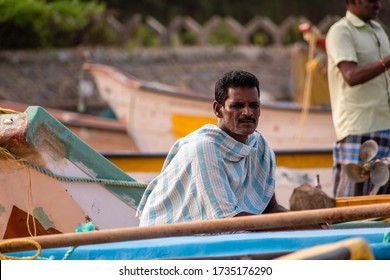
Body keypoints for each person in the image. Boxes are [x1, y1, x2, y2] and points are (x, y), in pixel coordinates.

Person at [136, 69, 326, 231]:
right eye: (237, 106)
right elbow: (229, 223)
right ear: (218, 110)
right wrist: (301, 226)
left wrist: (307, 222)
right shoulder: (204, 148)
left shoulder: (260, 146)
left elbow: (271, 209)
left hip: (227, 235)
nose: (248, 112)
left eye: (254, 105)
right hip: (168, 244)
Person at [326, 0, 390, 197]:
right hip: (358, 127)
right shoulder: (340, 31)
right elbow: (351, 76)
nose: (378, 5)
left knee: (382, 204)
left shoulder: (378, 29)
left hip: (385, 124)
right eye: (372, 1)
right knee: (353, 200)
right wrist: (386, 62)